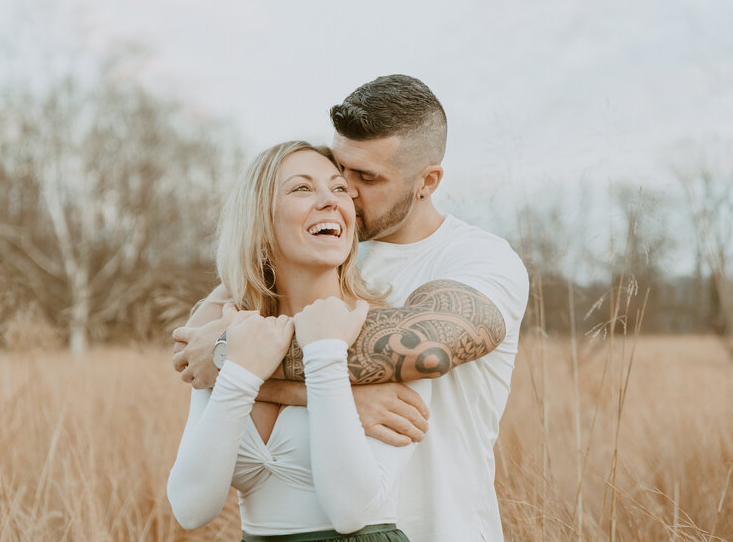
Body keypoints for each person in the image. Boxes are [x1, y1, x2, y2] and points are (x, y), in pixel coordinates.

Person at [173, 75, 529, 541]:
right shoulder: (330, 253)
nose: (346, 193)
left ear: (428, 182)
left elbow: (424, 350)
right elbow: (198, 341)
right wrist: (331, 395)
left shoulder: (476, 258)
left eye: (368, 178)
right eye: (342, 172)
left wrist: (238, 359)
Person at [168, 140, 430, 541]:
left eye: (339, 188)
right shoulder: (234, 335)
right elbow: (190, 507)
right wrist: (239, 373)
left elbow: (349, 511)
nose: (331, 200)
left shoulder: (385, 332)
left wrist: (326, 352)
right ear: (260, 220)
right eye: (302, 188)